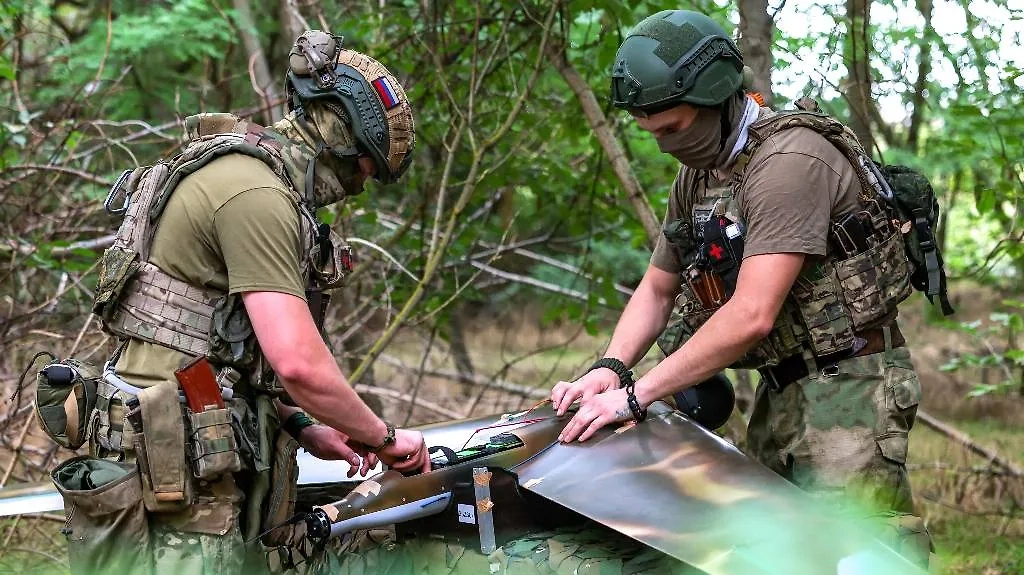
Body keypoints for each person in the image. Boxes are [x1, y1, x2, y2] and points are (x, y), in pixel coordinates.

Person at [549, 9, 932, 567]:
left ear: (718, 98)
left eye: (673, 129)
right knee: (776, 553)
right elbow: (657, 290)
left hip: (851, 385)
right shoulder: (699, 177)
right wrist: (609, 368)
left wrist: (635, 396)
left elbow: (753, 313)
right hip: (783, 390)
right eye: (650, 132)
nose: (661, 146)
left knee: (854, 553)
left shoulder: (789, 162)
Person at [58, 30, 429, 574]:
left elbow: (209, 348)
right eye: (365, 168)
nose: (358, 186)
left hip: (188, 438)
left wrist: (303, 425)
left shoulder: (245, 175)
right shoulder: (257, 195)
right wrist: (386, 438)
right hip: (172, 464)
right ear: (341, 133)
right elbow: (298, 363)